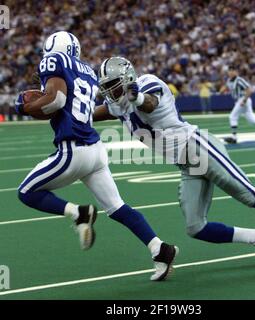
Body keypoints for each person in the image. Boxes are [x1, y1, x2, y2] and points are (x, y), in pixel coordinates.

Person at [94, 56, 255, 264]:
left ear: (128, 77)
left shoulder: (147, 83)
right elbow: (94, 113)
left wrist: (137, 98)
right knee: (195, 227)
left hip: (198, 147)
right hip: (187, 164)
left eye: (113, 84)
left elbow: (150, 103)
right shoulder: (118, 104)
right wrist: (69, 111)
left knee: (249, 195)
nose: (110, 92)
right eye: (107, 87)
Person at [14, 32, 178, 281]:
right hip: (95, 149)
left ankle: (78, 213)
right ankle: (160, 249)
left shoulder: (54, 61)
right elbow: (62, 104)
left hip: (74, 149)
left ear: (52, 48)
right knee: (118, 207)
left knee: (26, 192)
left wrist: (23, 107)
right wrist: (43, 97)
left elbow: (56, 101)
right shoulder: (88, 71)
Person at [220, 66, 255, 144]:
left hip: (243, 99)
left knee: (232, 116)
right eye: (229, 71)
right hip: (239, 101)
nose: (231, 72)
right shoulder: (229, 80)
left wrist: (244, 100)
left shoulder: (239, 80)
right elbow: (227, 86)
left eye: (233, 70)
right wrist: (221, 90)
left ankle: (234, 137)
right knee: (252, 119)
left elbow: (249, 90)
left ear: (236, 72)